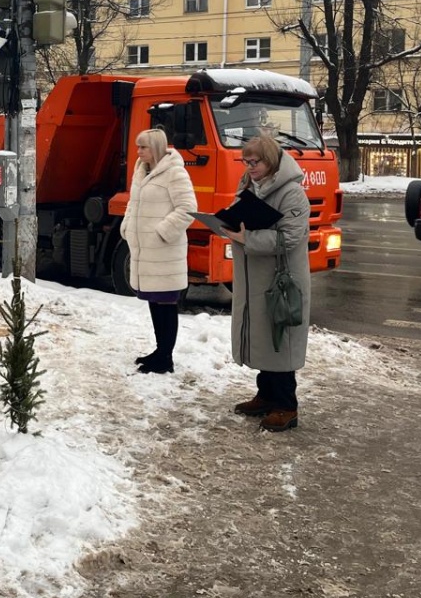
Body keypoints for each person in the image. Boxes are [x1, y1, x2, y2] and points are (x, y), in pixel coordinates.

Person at [219, 134, 312, 432]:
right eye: (245, 161)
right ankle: (266, 395)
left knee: (279, 338)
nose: (248, 167)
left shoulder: (292, 193)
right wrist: (227, 225)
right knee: (260, 335)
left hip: (279, 280)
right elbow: (241, 217)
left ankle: (287, 406)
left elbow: (290, 237)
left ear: (270, 160)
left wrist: (248, 238)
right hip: (253, 277)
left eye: (254, 161)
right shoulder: (249, 185)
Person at [120, 127, 197, 374]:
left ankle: (166, 357)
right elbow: (133, 202)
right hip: (146, 251)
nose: (138, 151)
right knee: (155, 301)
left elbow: (188, 208)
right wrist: (127, 226)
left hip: (164, 251)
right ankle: (160, 350)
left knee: (166, 303)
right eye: (137, 146)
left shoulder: (174, 173)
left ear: (155, 148)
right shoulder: (141, 170)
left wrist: (162, 232)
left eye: (143, 147)